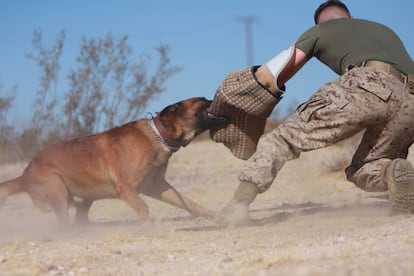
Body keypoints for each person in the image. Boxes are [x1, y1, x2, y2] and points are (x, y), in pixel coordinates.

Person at [210, 0, 414, 225]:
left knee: (282, 139)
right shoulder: (384, 30)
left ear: (321, 22)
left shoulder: (320, 31)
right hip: (411, 100)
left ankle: (237, 206)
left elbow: (274, 75)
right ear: (349, 17)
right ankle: (391, 171)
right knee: (369, 166)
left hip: (369, 81)